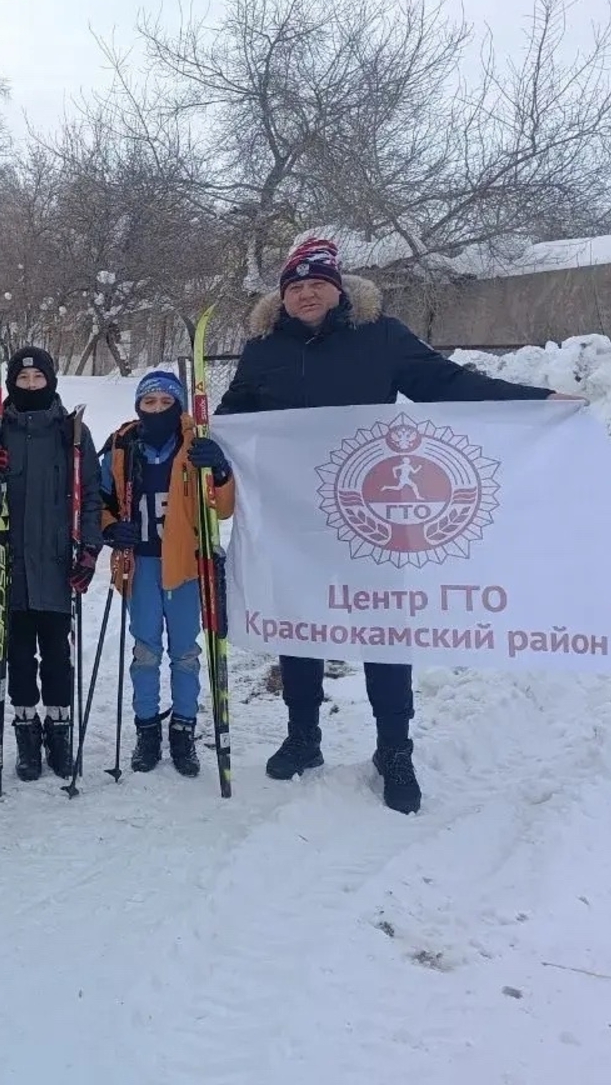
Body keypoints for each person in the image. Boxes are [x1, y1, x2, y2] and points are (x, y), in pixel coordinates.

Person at [214, 236, 581, 813]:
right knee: (299, 626)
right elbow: (240, 410)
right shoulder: (264, 347)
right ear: (281, 297)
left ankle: (394, 750)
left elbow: (448, 383)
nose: (306, 293)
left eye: (316, 283)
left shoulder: (380, 335)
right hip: (291, 514)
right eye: (294, 286)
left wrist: (532, 401)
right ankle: (304, 736)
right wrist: (218, 444)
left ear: (337, 289)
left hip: (370, 516)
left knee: (383, 629)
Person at [0, 347, 102, 781]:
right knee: (19, 656)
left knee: (57, 656)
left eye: (37, 379)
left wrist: (89, 551)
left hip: (57, 561)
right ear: (11, 384)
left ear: (51, 381)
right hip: (10, 563)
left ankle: (59, 731)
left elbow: (92, 496)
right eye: (22, 380)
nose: (30, 386)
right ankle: (26, 734)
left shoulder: (72, 433)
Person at [100, 370, 237, 776]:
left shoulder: (196, 444)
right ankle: (146, 729)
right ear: (138, 407)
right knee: (145, 651)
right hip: (139, 563)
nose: (157, 409)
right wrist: (110, 527)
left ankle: (183, 727)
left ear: (177, 405)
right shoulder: (123, 445)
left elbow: (223, 508)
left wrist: (221, 470)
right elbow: (99, 498)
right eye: (149, 403)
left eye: (165, 402)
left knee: (185, 652)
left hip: (184, 565)